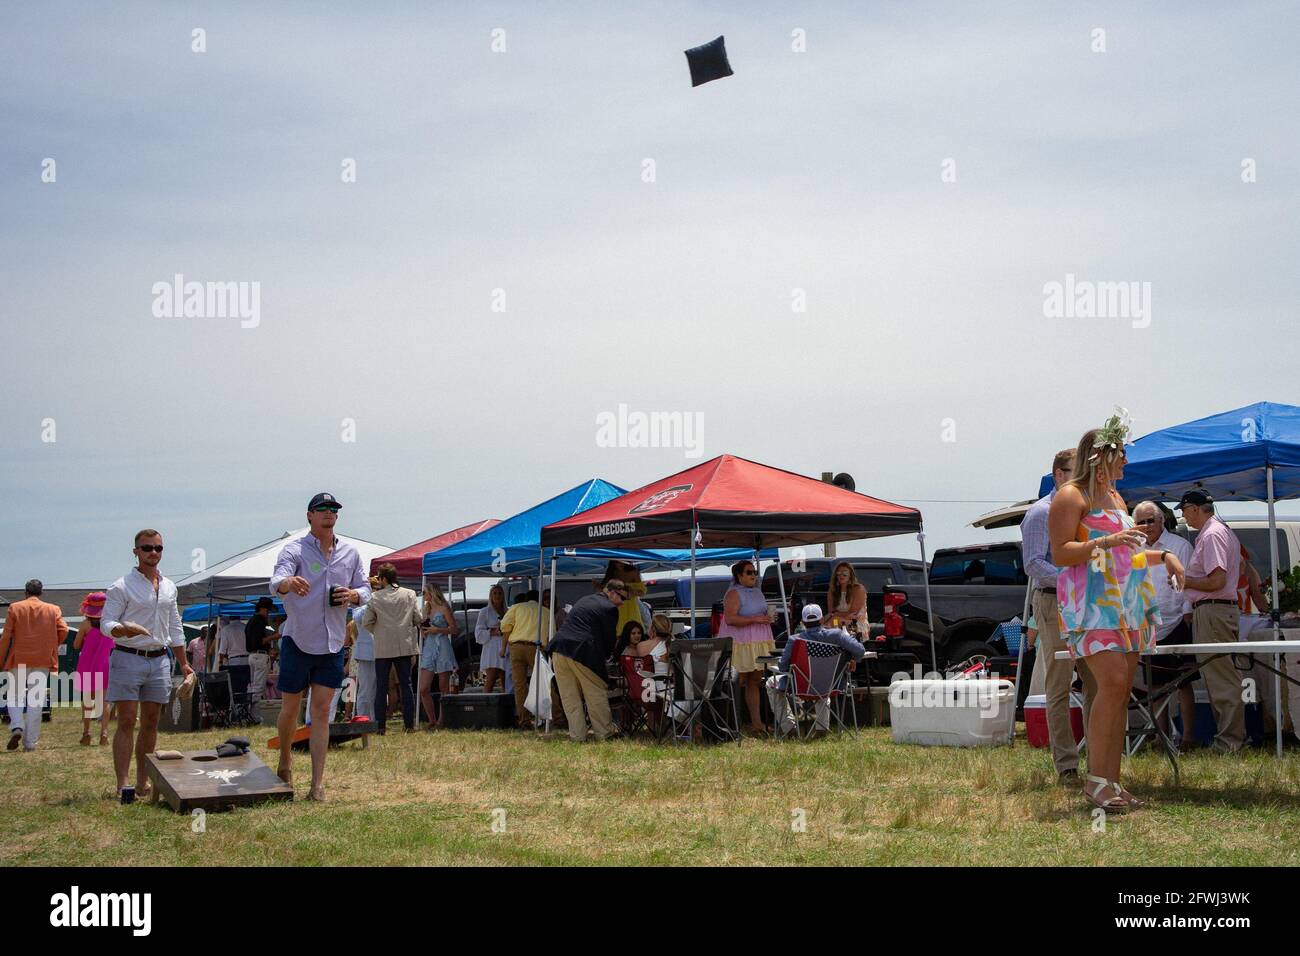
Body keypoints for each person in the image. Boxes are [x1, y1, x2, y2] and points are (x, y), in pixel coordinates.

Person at [1049, 413, 1184, 812]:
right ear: (1101, 457)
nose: (1126, 461)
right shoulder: (1072, 496)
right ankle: (1096, 783)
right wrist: (1107, 541)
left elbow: (1129, 555)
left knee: (1120, 690)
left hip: (1126, 604)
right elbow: (1060, 554)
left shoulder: (1117, 499)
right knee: (1109, 686)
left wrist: (1165, 556)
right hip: (1092, 605)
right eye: (1121, 454)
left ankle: (1110, 782)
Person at [270, 493, 371, 801]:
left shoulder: (350, 553)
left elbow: (366, 589)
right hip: (298, 639)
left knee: (323, 710)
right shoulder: (294, 549)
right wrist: (289, 583)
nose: (329, 513)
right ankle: (285, 762)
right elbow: (276, 581)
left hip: (332, 642)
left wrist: (353, 595)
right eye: (323, 509)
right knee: (290, 709)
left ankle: (317, 784)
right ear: (309, 515)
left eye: (334, 509)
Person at [1020, 447, 1097, 782]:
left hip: (1085, 603)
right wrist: (1073, 576)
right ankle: (1066, 763)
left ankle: (1099, 758)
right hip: (1053, 601)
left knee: (1095, 680)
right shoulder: (1040, 512)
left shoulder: (1082, 509)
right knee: (1059, 682)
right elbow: (1033, 563)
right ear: (1059, 475)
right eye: (1076, 471)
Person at [101, 531, 194, 801]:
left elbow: (175, 627)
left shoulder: (169, 587)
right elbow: (106, 623)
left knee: (152, 721)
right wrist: (121, 629)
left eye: (158, 548)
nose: (153, 552)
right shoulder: (120, 586)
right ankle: (124, 784)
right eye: (147, 548)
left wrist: (184, 663)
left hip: (159, 659)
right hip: (128, 656)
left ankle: (143, 781)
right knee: (127, 720)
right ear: (136, 551)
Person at [1178, 490, 1247, 754]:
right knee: (1219, 676)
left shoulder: (1212, 534)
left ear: (1195, 509)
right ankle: (1229, 739)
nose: (1184, 517)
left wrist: (1184, 580)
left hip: (1213, 610)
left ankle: (1230, 742)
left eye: (1184, 511)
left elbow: (1217, 580)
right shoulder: (1219, 531)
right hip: (1214, 610)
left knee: (1221, 678)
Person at [1132, 500, 1195, 745]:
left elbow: (1187, 583)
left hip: (1177, 620)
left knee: (1183, 683)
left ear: (1161, 521)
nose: (1146, 526)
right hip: (1148, 625)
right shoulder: (1133, 549)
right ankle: (1162, 738)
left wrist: (1187, 616)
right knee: (1155, 685)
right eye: (1140, 522)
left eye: (1150, 520)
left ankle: (1189, 738)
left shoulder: (1178, 546)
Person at [766, 603, 866, 738]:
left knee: (770, 683)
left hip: (801, 687)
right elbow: (860, 650)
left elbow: (783, 668)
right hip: (832, 685)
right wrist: (851, 658)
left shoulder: (795, 640)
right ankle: (821, 729)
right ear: (821, 620)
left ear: (803, 622)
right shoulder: (837, 635)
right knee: (822, 686)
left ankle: (789, 728)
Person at [547, 578, 626, 741]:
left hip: (559, 649)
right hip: (582, 651)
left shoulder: (585, 599)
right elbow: (609, 639)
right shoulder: (610, 608)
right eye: (622, 598)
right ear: (611, 592)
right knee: (595, 693)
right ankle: (604, 733)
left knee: (570, 697)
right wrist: (607, 657)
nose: (623, 603)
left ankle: (577, 735)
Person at [0, 579, 68, 753]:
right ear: (41, 592)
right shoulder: (53, 609)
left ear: (25, 592)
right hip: (43, 659)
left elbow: (6, 637)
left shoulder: (15, 608)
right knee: (35, 700)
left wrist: (1, 659)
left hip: (19, 658)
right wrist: (51, 645)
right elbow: (64, 630)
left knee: (14, 696)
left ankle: (17, 726)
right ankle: (30, 743)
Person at [718, 560, 776, 737]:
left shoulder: (758, 591)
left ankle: (757, 723)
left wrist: (768, 618)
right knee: (738, 681)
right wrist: (756, 619)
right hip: (740, 643)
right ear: (739, 575)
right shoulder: (733, 593)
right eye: (749, 572)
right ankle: (732, 724)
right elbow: (730, 619)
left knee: (755, 681)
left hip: (758, 642)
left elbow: (760, 613)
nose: (753, 575)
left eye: (755, 572)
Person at [362, 562, 421, 734]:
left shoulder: (375, 597)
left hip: (383, 647)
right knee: (406, 685)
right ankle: (409, 725)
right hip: (404, 644)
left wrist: (380, 632)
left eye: (379, 578)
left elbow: (366, 622)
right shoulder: (410, 594)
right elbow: (418, 618)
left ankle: (380, 726)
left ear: (384, 579)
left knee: (381, 687)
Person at [500, 588, 548, 729]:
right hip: (536, 648)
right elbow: (551, 634)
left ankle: (523, 721)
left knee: (519, 686)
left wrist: (503, 648)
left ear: (526, 598)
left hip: (516, 648)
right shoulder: (545, 611)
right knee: (544, 683)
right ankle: (557, 718)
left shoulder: (517, 607)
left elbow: (505, 627)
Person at [73, 591, 113, 746]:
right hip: (104, 665)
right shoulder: (109, 626)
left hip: (87, 665)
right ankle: (104, 734)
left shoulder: (85, 625)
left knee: (87, 701)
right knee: (104, 702)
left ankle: (87, 733)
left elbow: (76, 645)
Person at [418, 582, 459, 727]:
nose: (423, 595)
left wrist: (438, 630)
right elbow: (424, 631)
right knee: (423, 688)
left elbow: (454, 629)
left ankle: (442, 720)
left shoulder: (444, 607)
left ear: (432, 592)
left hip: (442, 646)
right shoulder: (426, 609)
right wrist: (425, 630)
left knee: (443, 686)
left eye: (425, 592)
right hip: (429, 646)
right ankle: (431, 720)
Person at [346, 579, 379, 721]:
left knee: (376, 689)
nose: (378, 592)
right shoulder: (360, 606)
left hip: (382, 651)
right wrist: (372, 601)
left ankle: (374, 718)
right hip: (365, 653)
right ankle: (364, 719)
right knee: (364, 689)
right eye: (375, 589)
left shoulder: (379, 605)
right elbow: (357, 617)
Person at [244, 597, 278, 705]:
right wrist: (274, 637)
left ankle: (251, 711)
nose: (268, 614)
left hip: (252, 655)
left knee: (253, 685)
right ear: (263, 609)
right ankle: (255, 715)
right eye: (268, 611)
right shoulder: (259, 621)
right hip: (260, 655)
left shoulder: (251, 621)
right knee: (259, 687)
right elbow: (260, 641)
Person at [476, 585, 508, 693]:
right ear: (490, 596)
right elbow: (478, 633)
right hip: (491, 648)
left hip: (505, 647)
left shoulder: (507, 612)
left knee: (506, 682)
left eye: (499, 593)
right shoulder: (484, 612)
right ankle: (485, 707)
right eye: (495, 593)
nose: (497, 595)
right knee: (490, 680)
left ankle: (507, 708)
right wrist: (492, 631)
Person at [216, 614, 251, 707]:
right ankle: (245, 708)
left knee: (235, 688)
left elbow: (223, 649)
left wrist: (220, 662)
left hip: (234, 662)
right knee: (246, 687)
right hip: (247, 660)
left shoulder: (226, 629)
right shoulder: (246, 627)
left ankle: (237, 708)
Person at [825, 562, 868, 633]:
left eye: (845, 574)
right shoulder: (832, 590)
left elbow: (853, 613)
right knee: (831, 623)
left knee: (833, 621)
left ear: (850, 575)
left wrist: (834, 614)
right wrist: (832, 615)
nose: (841, 576)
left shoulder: (858, 589)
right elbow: (831, 611)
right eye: (838, 574)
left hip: (856, 624)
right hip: (837, 621)